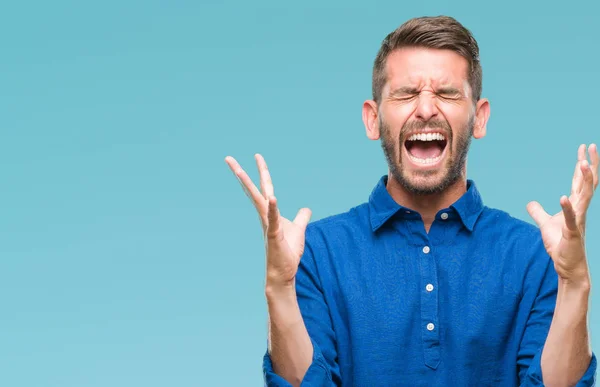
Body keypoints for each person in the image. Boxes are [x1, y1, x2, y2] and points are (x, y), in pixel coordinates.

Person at [225, 15, 598, 386]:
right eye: (405, 93)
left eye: (447, 93)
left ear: (479, 119)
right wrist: (279, 286)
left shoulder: (536, 254)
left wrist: (575, 282)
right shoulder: (316, 252)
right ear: (372, 120)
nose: (424, 109)